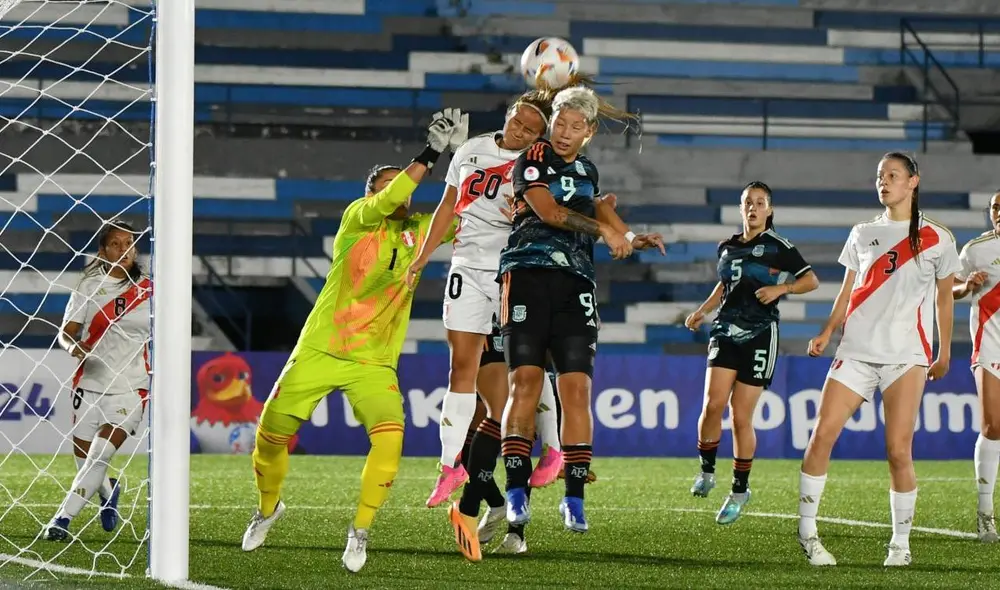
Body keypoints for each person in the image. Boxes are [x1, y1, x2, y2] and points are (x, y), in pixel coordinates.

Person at [240, 110, 468, 573]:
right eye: (386, 184)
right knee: (270, 438)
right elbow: (395, 194)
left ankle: (359, 531)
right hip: (320, 349)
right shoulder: (357, 221)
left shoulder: (419, 232)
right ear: (371, 193)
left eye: (399, 183)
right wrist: (429, 155)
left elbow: (466, 212)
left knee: (390, 443)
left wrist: (462, 160)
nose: (396, 191)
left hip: (374, 362)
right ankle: (268, 509)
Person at [489, 85, 663, 547]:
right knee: (524, 383)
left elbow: (599, 208)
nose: (564, 132)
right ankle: (516, 491)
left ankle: (573, 496)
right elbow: (548, 211)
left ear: (588, 132)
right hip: (526, 274)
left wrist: (630, 235)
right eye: (559, 122)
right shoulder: (533, 156)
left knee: (577, 389)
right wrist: (606, 230)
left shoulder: (588, 168)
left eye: (574, 126)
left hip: (577, 283)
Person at [799, 152, 960, 567]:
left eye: (892, 175)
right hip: (855, 351)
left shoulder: (938, 238)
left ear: (913, 182)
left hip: (906, 356)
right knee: (821, 435)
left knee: (898, 451)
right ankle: (808, 534)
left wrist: (944, 350)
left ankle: (900, 545)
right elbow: (847, 291)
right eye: (879, 176)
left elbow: (944, 297)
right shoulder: (861, 233)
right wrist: (827, 331)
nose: (883, 182)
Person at [407, 91, 565, 509]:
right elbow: (447, 207)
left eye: (531, 129)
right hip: (466, 268)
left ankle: (554, 449)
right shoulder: (473, 149)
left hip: (515, 269)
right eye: (517, 122)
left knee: (528, 362)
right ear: (508, 115)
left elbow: (552, 214)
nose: (520, 132)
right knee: (461, 366)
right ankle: (448, 467)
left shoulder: (538, 163)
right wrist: (423, 256)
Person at [684, 181, 818, 524]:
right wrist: (703, 311)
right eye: (748, 202)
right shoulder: (727, 247)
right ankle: (707, 471)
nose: (753, 208)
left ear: (769, 210)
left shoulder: (779, 247)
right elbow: (725, 284)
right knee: (712, 405)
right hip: (726, 330)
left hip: (760, 334)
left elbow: (810, 281)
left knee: (741, 416)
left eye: (760, 203)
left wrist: (782, 288)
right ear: (741, 208)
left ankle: (739, 491)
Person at [44, 221, 150, 541]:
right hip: (89, 384)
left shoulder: (151, 289)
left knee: (99, 455)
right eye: (116, 244)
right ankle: (108, 491)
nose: (124, 250)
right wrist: (75, 348)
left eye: (129, 243)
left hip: (131, 386)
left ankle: (61, 520)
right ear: (103, 250)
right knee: (85, 461)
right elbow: (67, 334)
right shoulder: (88, 286)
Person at [953, 189, 1000, 543]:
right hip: (990, 345)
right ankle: (985, 514)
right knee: (992, 425)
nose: (998, 213)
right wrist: (966, 285)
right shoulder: (976, 250)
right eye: (995, 207)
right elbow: (949, 287)